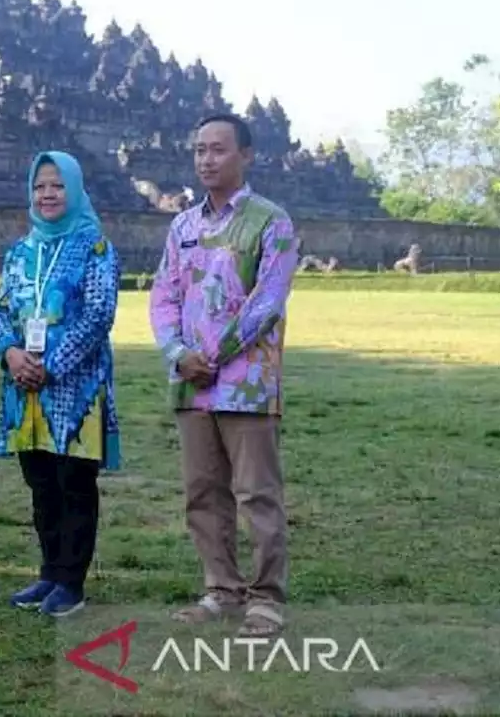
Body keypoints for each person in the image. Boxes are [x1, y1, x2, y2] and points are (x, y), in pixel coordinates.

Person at [148, 112, 300, 638]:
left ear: (247, 155)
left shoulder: (270, 221)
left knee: (256, 492)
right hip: (190, 380)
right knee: (202, 491)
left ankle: (266, 597)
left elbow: (268, 301)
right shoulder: (183, 225)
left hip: (246, 381)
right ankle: (221, 588)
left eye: (217, 149)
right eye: (199, 150)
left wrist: (209, 354)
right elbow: (164, 294)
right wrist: (176, 351)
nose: (206, 159)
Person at [0, 150, 122, 617]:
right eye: (40, 186)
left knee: (74, 483)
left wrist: (51, 364)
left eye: (57, 185)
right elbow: (0, 309)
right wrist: (10, 354)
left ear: (76, 189)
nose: (47, 194)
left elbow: (99, 314)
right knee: (40, 483)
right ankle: (48, 573)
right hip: (23, 389)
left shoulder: (95, 247)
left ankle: (72, 581)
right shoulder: (20, 251)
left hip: (74, 388)